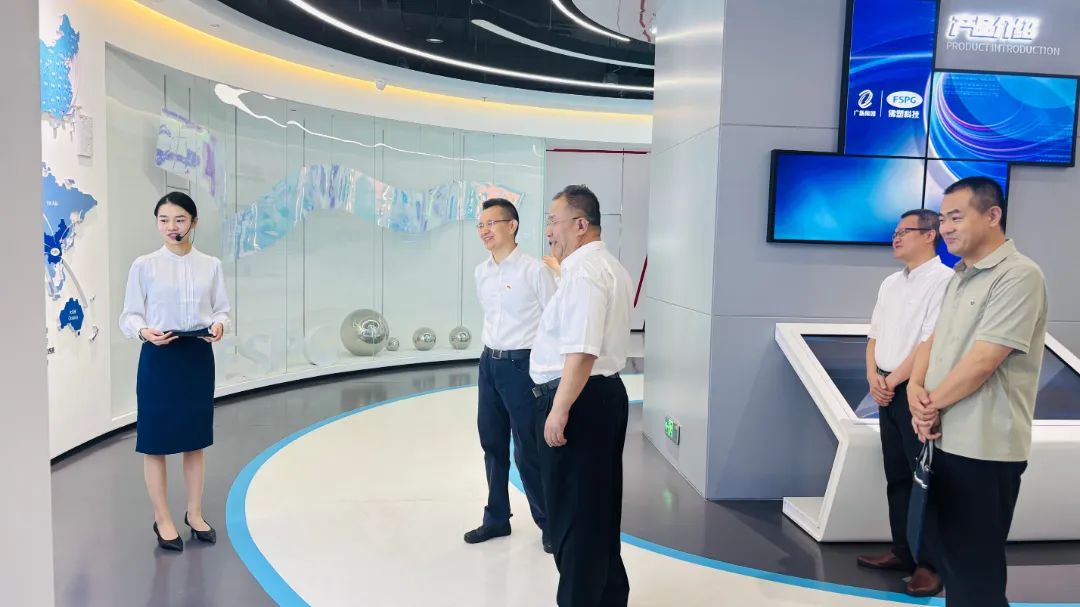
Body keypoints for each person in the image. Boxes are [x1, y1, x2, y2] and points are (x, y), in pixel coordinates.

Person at [908, 177, 1047, 607]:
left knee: (975, 569)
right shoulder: (960, 276)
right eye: (942, 218)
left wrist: (929, 406)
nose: (945, 228)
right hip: (945, 439)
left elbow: (984, 360)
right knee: (953, 562)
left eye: (956, 217)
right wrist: (915, 387)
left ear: (992, 215)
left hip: (985, 447)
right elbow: (934, 340)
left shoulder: (1019, 275)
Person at [531, 184, 633, 606]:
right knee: (597, 512)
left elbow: (582, 351)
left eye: (552, 222)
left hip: (579, 400)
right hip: (601, 397)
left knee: (573, 520)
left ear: (580, 224)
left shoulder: (585, 273)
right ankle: (609, 597)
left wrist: (559, 410)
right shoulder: (607, 267)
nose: (548, 232)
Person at [119, 191, 231, 552]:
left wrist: (220, 325)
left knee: (195, 440)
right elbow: (129, 315)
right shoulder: (144, 265)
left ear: (194, 223)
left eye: (180, 219)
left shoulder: (210, 265)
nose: (171, 226)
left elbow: (222, 309)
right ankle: (163, 518)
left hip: (197, 355)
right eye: (164, 219)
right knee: (155, 442)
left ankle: (194, 513)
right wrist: (143, 331)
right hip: (159, 356)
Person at [857, 210, 952, 596]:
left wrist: (894, 380)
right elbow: (874, 335)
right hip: (885, 388)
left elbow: (930, 340)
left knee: (924, 477)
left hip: (916, 390)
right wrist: (873, 377)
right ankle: (903, 550)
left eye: (905, 232)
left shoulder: (945, 281)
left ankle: (930, 564)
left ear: (930, 235)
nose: (896, 238)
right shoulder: (890, 283)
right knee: (896, 474)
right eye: (895, 232)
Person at [465, 198, 557, 552]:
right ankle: (497, 519)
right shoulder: (481, 272)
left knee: (528, 450)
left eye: (491, 223)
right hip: (489, 364)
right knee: (492, 444)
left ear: (512, 225)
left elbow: (554, 320)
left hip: (522, 367)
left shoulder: (535, 271)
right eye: (480, 225)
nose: (484, 231)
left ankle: (549, 524)